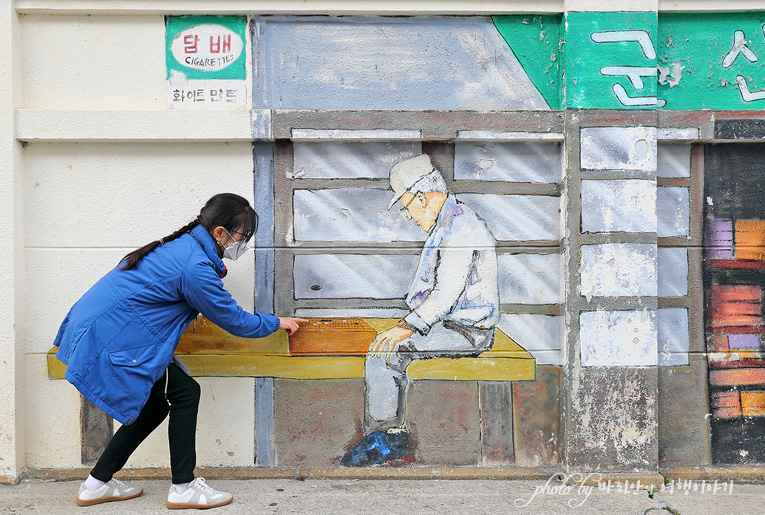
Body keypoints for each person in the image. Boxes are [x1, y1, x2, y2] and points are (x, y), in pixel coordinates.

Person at [53, 193, 306, 509]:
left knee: (156, 404)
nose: (243, 245)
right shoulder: (194, 265)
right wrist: (276, 322)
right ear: (219, 233)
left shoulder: (184, 247)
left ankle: (96, 484)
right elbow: (234, 320)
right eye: (242, 237)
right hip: (112, 340)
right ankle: (184, 487)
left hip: (106, 334)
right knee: (186, 393)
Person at [341, 155, 500, 467]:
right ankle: (387, 434)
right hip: (451, 325)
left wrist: (407, 326)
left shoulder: (462, 229)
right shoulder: (450, 222)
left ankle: (387, 439)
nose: (408, 216)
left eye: (406, 206)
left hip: (467, 332)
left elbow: (444, 295)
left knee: (387, 351)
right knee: (386, 346)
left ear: (422, 198)